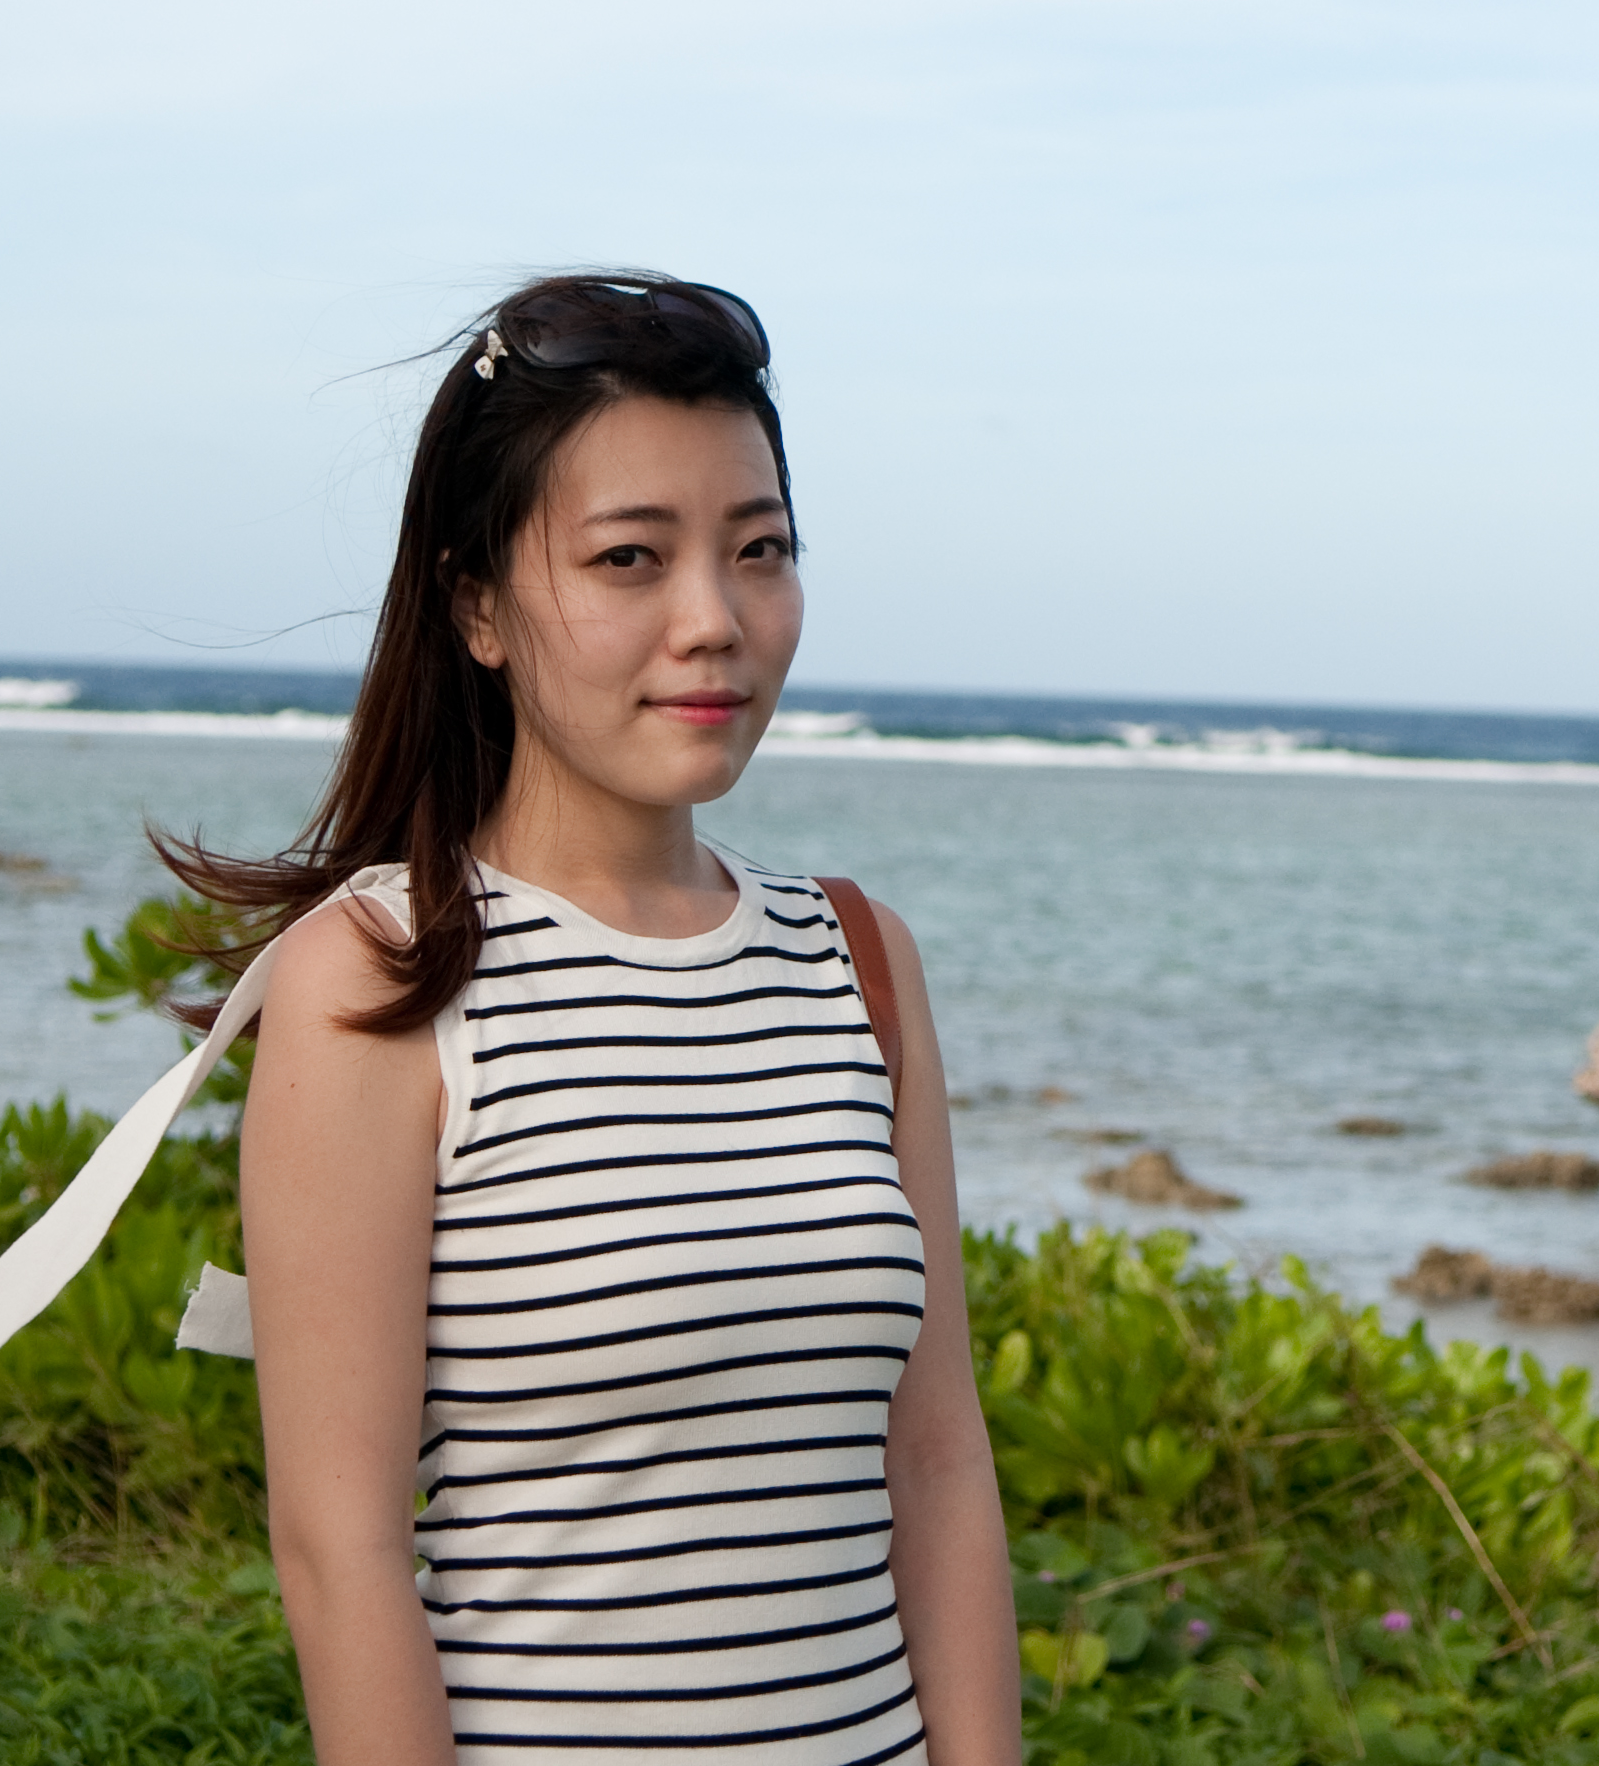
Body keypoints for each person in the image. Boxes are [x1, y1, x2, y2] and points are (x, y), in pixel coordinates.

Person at [148, 271, 1022, 1766]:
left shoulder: (860, 957)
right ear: (477, 605)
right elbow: (341, 1550)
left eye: (760, 550)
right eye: (631, 557)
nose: (715, 622)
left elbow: (938, 1468)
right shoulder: (380, 977)